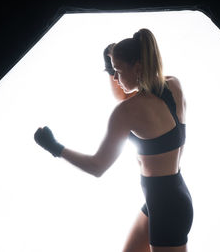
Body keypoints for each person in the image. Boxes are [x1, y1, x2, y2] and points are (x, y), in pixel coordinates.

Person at [34, 28, 193, 252]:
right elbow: (128, 93)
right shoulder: (173, 85)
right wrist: (112, 64)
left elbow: (97, 166)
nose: (115, 78)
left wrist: (55, 148)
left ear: (137, 67)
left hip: (166, 208)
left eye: (117, 70)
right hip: (169, 197)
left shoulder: (127, 112)